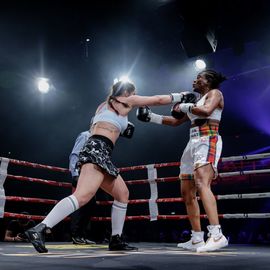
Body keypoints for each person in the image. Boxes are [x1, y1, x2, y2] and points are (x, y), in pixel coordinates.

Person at [25, 80, 187, 253]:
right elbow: (157, 100)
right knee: (83, 196)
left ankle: (116, 239)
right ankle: (40, 229)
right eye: (133, 93)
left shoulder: (104, 106)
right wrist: (181, 96)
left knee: (122, 194)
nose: (134, 96)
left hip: (100, 150)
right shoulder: (125, 100)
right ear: (127, 92)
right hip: (97, 148)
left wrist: (125, 126)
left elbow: (104, 126)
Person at [136, 69, 228, 252]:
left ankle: (217, 234)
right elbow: (176, 122)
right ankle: (196, 238)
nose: (195, 80)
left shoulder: (215, 94)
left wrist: (184, 106)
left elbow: (207, 111)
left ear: (208, 81)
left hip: (208, 138)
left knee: (202, 183)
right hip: (192, 142)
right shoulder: (197, 101)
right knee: (187, 192)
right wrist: (151, 117)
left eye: (199, 77)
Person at [69, 127, 96, 245]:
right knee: (79, 204)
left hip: (91, 176)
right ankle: (75, 235)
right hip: (81, 174)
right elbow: (74, 154)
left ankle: (82, 235)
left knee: (90, 205)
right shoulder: (85, 135)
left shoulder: (97, 140)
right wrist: (74, 174)